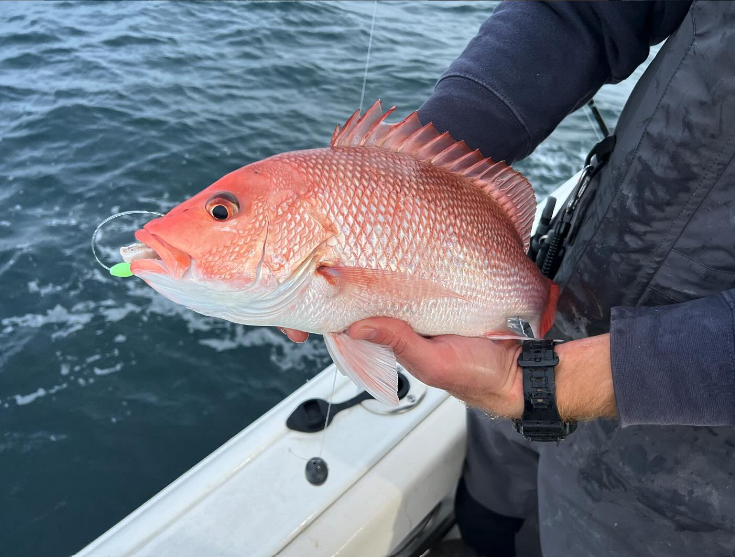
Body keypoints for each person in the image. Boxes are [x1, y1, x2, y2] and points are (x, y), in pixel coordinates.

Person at [282, 2, 735, 555]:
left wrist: (546, 386)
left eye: (222, 213)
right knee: (488, 505)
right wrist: (418, 171)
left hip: (694, 454)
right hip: (559, 290)